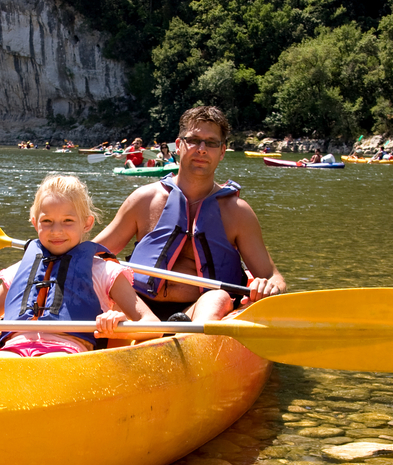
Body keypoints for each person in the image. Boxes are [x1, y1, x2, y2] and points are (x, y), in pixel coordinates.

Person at [94, 106, 286, 323]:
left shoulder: (238, 212)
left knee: (216, 298)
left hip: (199, 312)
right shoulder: (144, 199)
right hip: (139, 310)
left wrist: (268, 286)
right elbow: (92, 253)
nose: (202, 149)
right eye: (193, 140)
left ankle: (190, 345)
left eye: (211, 143)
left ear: (222, 151)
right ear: (178, 145)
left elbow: (274, 277)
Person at [0, 174, 162, 356]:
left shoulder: (106, 271)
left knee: (52, 361)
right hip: (12, 350)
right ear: (34, 222)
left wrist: (119, 325)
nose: (56, 230)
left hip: (66, 353)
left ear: (87, 223)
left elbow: (152, 325)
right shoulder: (19, 271)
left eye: (68, 221)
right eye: (47, 221)